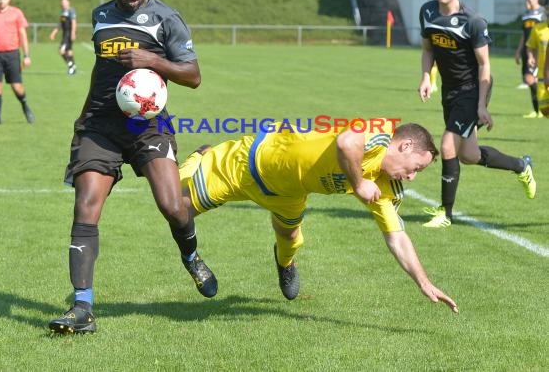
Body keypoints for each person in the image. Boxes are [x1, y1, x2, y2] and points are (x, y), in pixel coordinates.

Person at [48, 0, 217, 334]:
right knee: (86, 207)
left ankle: (190, 256)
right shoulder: (100, 17)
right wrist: (84, 116)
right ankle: (82, 308)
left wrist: (153, 61)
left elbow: (192, 75)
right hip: (100, 125)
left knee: (173, 206)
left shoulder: (166, 19)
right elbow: (102, 70)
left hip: (147, 124)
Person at [179, 119, 460, 314]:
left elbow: (397, 237)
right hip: (246, 165)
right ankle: (201, 156)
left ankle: (285, 262)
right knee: (177, 210)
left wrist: (424, 283)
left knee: (289, 235)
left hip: (289, 194)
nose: (411, 177)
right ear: (406, 145)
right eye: (416, 168)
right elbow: (346, 141)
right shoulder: (381, 134)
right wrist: (359, 182)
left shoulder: (386, 186)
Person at [418, 0, 537, 229]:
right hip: (450, 90)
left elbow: (485, 66)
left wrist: (481, 105)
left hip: (473, 89)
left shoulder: (473, 22)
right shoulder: (427, 12)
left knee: (448, 144)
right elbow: (428, 49)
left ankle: (444, 214)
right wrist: (426, 77)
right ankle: (521, 166)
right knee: (468, 155)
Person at [515, 0, 545, 118]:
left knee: (531, 79)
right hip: (527, 51)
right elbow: (524, 35)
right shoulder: (526, 14)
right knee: (529, 79)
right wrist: (518, 51)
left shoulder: (543, 13)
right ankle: (537, 110)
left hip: (540, 51)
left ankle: (540, 108)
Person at [526, 13, 549, 117]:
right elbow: (531, 46)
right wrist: (531, 57)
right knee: (544, 109)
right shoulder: (538, 28)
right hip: (542, 75)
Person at [49, 0, 77, 75]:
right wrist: (53, 33)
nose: (63, 4)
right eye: (62, 2)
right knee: (68, 51)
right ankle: (73, 68)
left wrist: (73, 33)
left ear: (68, 2)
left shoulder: (71, 11)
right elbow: (60, 24)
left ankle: (71, 66)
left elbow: (74, 22)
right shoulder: (62, 12)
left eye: (65, 2)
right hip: (65, 34)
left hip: (68, 34)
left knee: (61, 51)